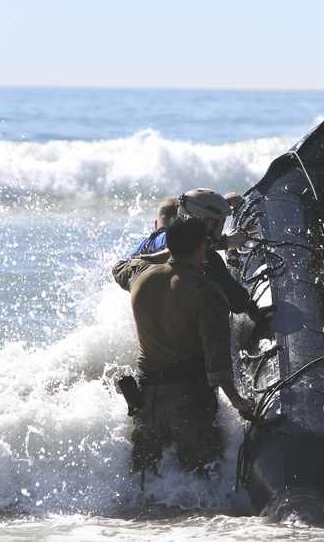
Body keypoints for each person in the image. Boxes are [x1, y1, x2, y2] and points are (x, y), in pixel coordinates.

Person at [128, 214, 253, 475]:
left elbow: (123, 264)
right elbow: (216, 357)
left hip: (145, 395)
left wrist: (165, 254)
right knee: (201, 473)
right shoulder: (206, 291)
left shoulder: (139, 277)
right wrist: (236, 400)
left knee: (145, 476)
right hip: (189, 397)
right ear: (201, 248)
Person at [113, 189, 254, 315]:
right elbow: (239, 303)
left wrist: (220, 206)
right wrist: (224, 241)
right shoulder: (201, 255)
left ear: (156, 224)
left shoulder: (143, 246)